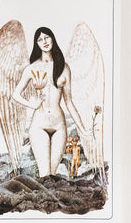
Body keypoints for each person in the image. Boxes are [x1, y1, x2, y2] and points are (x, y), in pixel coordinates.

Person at [12, 27, 88, 177]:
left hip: (59, 126)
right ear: (37, 44)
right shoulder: (31, 68)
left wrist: (83, 129)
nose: (44, 41)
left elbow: (69, 102)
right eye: (40, 39)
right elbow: (15, 94)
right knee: (44, 174)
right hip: (39, 125)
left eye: (47, 37)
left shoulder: (63, 67)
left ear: (52, 38)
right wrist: (32, 104)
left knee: (52, 176)